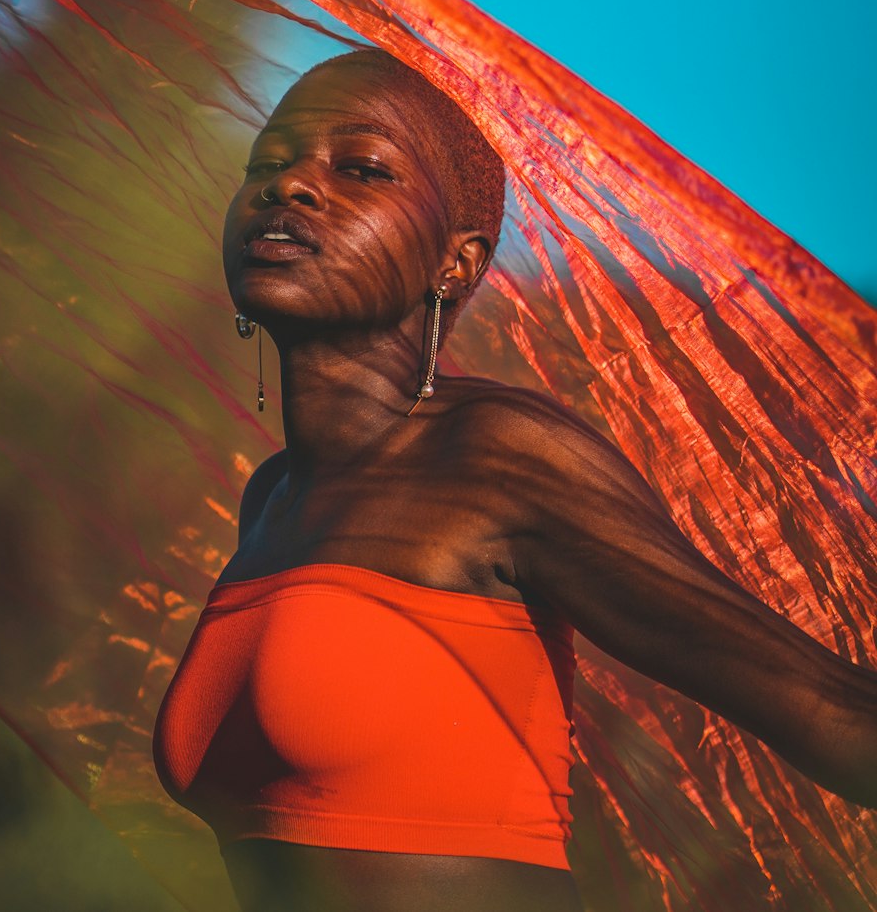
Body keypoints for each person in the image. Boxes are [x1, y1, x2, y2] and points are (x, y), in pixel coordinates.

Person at [153, 47, 877, 912]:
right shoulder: (270, 497)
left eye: (361, 169)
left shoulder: (499, 456)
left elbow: (833, 712)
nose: (290, 187)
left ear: (454, 266)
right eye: (265, 165)